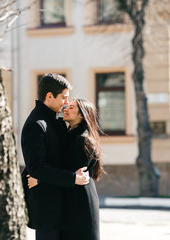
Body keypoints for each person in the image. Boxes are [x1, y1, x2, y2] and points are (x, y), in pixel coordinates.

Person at [21, 73, 90, 240]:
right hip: (47, 212)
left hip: (64, 210)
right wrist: (73, 178)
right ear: (49, 96)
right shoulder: (36, 125)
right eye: (64, 98)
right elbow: (36, 168)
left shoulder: (56, 120)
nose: (66, 103)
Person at [28, 99, 105, 240]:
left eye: (71, 107)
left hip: (80, 204)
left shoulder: (83, 140)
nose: (66, 109)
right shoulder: (70, 135)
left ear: (82, 115)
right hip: (72, 201)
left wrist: (40, 179)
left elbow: (69, 174)